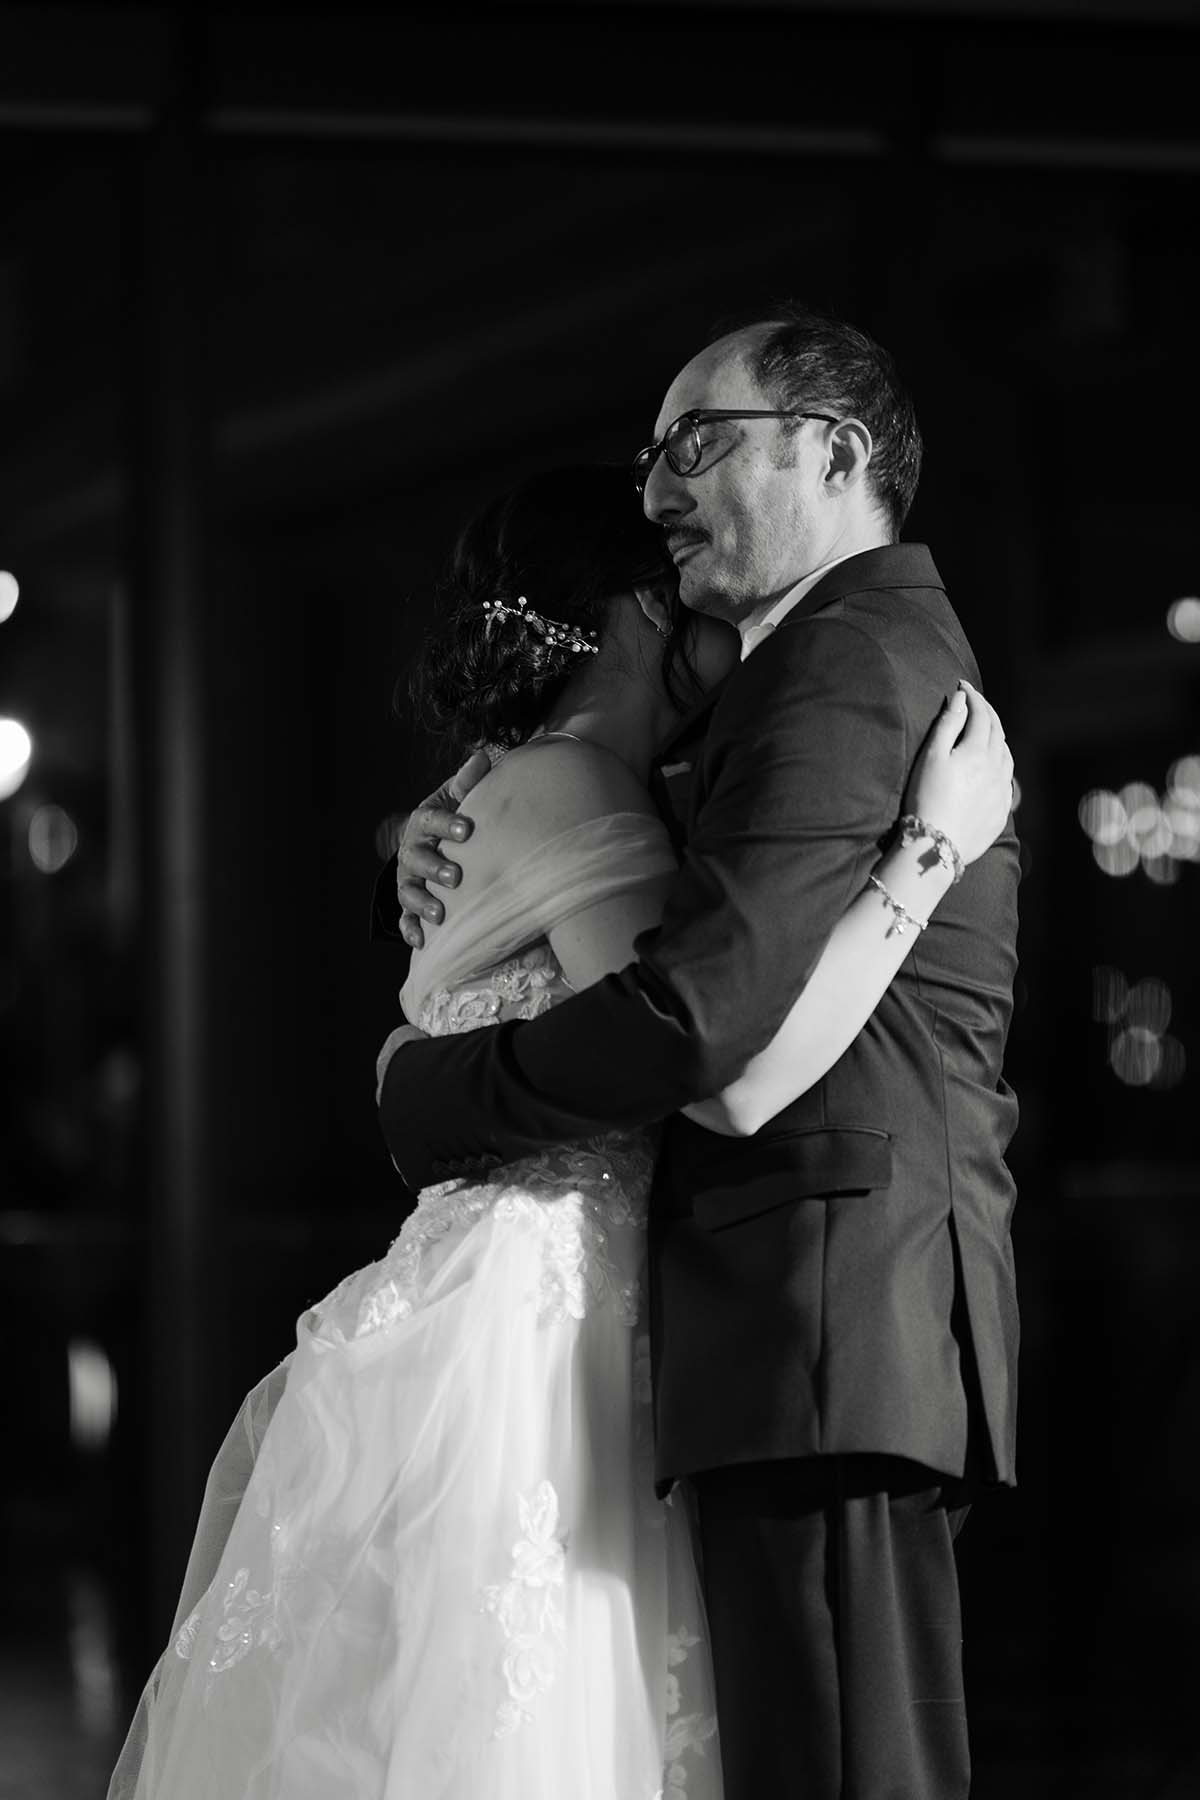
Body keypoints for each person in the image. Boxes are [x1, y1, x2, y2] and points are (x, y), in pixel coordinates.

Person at [108, 455, 1011, 1800]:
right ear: (645, 610)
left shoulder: (524, 784)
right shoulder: (579, 788)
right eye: (685, 585)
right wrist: (924, 856)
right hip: (548, 1323)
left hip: (530, 1293)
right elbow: (707, 1056)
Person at [378, 309, 1021, 1800]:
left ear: (834, 452)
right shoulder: (789, 677)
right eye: (652, 457)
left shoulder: (840, 661)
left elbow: (704, 1032)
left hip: (827, 1316)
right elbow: (667, 898)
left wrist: (432, 1086)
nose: (661, 487)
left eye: (697, 445)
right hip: (788, 1329)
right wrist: (445, 849)